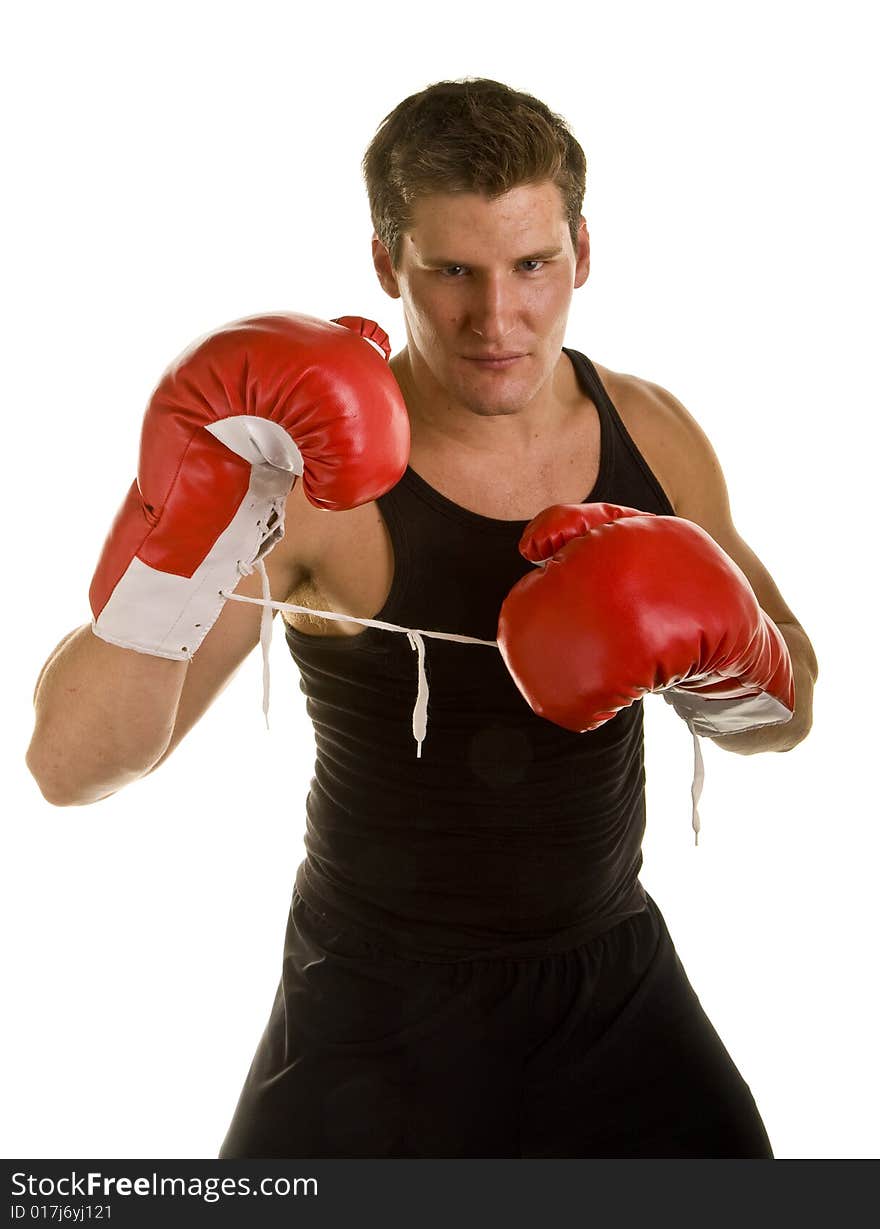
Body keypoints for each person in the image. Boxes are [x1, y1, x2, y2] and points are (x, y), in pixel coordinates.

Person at [26, 78, 818, 1159]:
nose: (496, 319)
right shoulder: (311, 485)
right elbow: (73, 766)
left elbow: (785, 716)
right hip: (372, 1000)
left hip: (612, 981)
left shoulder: (651, 434)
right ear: (384, 265)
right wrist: (179, 551)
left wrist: (727, 663)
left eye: (530, 265)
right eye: (451, 270)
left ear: (581, 251)